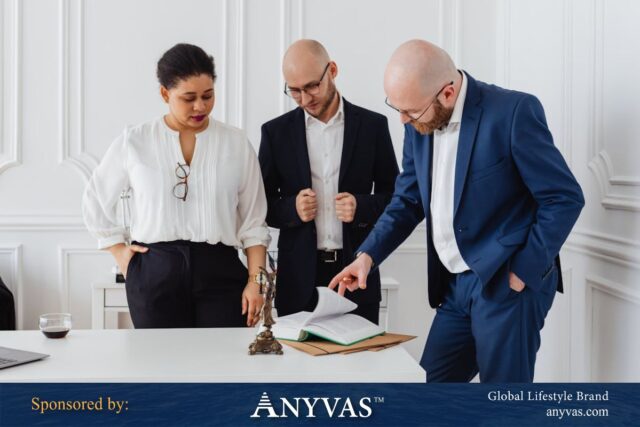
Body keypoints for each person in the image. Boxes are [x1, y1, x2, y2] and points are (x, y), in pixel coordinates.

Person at [329, 39, 584, 382]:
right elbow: (407, 201)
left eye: (411, 111)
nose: (403, 119)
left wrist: (522, 272)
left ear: (447, 94)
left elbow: (564, 197)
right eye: (396, 108)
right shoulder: (418, 123)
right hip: (454, 287)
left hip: (506, 282)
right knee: (431, 393)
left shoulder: (513, 112)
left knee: (503, 405)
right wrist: (367, 257)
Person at [82, 43, 269, 328]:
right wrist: (119, 252)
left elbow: (254, 222)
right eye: (188, 98)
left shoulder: (236, 143)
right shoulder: (135, 140)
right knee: (159, 367)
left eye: (208, 96)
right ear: (165, 94)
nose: (200, 106)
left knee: (223, 366)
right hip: (154, 272)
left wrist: (256, 281)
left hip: (220, 272)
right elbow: (95, 199)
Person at [259, 40, 399, 324]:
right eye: (294, 90)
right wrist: (292, 209)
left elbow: (397, 198)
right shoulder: (275, 133)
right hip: (297, 280)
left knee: (361, 365)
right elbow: (260, 207)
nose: (305, 98)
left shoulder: (373, 126)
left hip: (356, 274)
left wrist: (361, 206)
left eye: (311, 86)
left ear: (332, 70)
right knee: (298, 367)